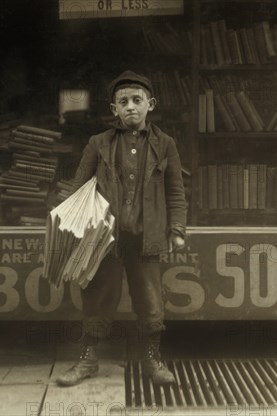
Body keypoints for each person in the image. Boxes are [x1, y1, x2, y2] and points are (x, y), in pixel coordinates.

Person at [56, 70, 187, 387]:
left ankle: (153, 361)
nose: (131, 107)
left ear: (150, 104)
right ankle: (88, 360)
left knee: (150, 299)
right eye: (123, 101)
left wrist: (178, 229)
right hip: (105, 237)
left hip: (147, 237)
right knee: (98, 297)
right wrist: (75, 227)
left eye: (137, 100)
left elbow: (175, 192)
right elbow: (79, 187)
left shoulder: (165, 144)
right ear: (114, 109)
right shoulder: (98, 143)